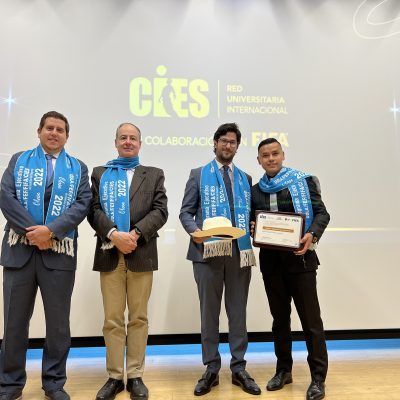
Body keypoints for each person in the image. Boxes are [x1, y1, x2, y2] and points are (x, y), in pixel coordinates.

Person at [0, 111, 92, 400]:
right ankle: (10, 384)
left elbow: (83, 203)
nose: (54, 133)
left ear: (67, 136)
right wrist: (34, 232)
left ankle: (54, 383)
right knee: (14, 324)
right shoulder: (19, 160)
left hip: (59, 255)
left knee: (58, 325)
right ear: (39, 131)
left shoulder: (78, 168)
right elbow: (6, 196)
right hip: (19, 252)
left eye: (60, 129)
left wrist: (50, 231)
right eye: (49, 128)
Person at [179, 123, 261, 396]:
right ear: (214, 143)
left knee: (238, 314)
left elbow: (250, 215)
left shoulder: (246, 178)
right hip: (207, 254)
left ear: (237, 146)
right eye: (223, 141)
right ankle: (211, 368)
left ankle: (239, 368)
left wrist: (255, 226)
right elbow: (185, 212)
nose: (228, 146)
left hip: (239, 253)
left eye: (232, 142)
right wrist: (195, 232)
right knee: (209, 314)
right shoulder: (198, 174)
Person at [88, 123, 168, 400]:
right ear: (116, 142)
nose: (128, 142)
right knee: (112, 319)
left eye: (133, 138)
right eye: (123, 137)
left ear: (140, 144)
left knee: (138, 318)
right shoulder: (100, 173)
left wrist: (134, 234)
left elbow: (161, 211)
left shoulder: (153, 174)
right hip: (109, 252)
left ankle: (135, 375)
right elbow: (93, 210)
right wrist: (114, 234)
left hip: (140, 252)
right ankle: (114, 376)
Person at [251, 138, 330, 400]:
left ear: (283, 155)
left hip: (301, 262)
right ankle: (284, 370)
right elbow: (253, 222)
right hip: (271, 265)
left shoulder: (303, 182)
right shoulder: (255, 191)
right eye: (265, 155)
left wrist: (312, 234)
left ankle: (318, 378)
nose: (271, 158)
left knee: (311, 322)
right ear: (259, 160)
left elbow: (322, 214)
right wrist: (254, 227)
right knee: (280, 321)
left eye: (275, 153)